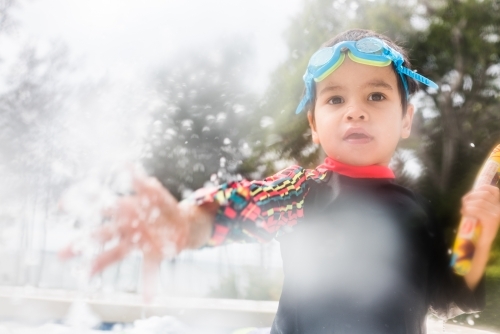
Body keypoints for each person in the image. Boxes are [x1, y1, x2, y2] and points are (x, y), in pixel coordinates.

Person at [87, 29, 500, 333]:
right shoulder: (302, 192)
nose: (355, 111)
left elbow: (448, 300)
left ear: (406, 119)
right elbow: (237, 205)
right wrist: (185, 223)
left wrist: (477, 239)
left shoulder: (416, 211)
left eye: (376, 96)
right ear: (315, 126)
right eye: (335, 99)